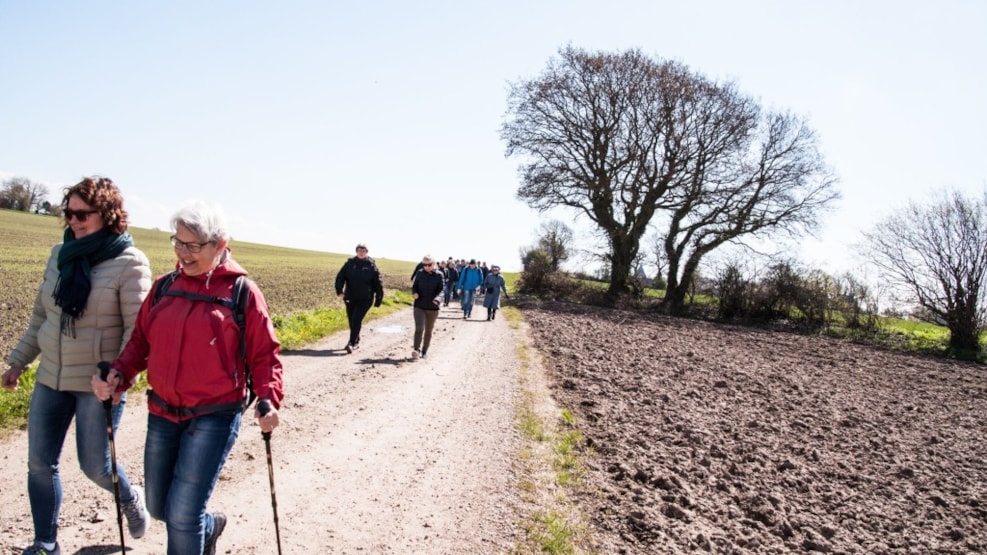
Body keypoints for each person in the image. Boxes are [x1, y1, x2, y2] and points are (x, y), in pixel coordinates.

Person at [91, 200, 284, 555]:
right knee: (159, 506)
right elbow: (141, 341)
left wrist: (269, 398)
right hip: (162, 412)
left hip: (213, 415)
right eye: (178, 242)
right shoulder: (165, 287)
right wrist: (120, 372)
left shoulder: (241, 293)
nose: (182, 253)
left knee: (183, 514)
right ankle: (208, 527)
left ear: (220, 245)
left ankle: (196, 526)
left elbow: (264, 355)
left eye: (192, 245)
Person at [2, 176, 151, 555]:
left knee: (95, 467)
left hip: (97, 384)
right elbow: (41, 317)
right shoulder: (59, 255)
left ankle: (130, 498)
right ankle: (46, 543)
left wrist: (118, 378)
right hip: (51, 376)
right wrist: (18, 362)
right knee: (39, 464)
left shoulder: (128, 262)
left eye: (83, 214)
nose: (74, 220)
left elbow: (138, 332)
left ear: (107, 214)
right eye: (68, 213)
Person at [334, 243, 384, 352]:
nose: (361, 253)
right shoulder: (350, 264)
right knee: (352, 320)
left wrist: (378, 299)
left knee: (356, 319)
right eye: (359, 250)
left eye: (363, 251)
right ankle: (356, 340)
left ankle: (351, 343)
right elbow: (340, 277)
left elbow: (378, 283)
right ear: (356, 252)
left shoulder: (371, 266)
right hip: (350, 297)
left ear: (367, 252)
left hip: (365, 298)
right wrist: (339, 290)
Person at [410, 255, 444, 360]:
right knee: (419, 328)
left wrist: (437, 299)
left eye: (429, 264)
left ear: (434, 264)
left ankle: (424, 351)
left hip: (433, 308)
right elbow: (414, 286)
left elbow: (442, 290)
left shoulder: (439, 275)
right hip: (419, 306)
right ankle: (416, 350)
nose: (427, 266)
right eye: (425, 264)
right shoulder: (419, 273)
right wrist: (414, 293)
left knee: (428, 330)